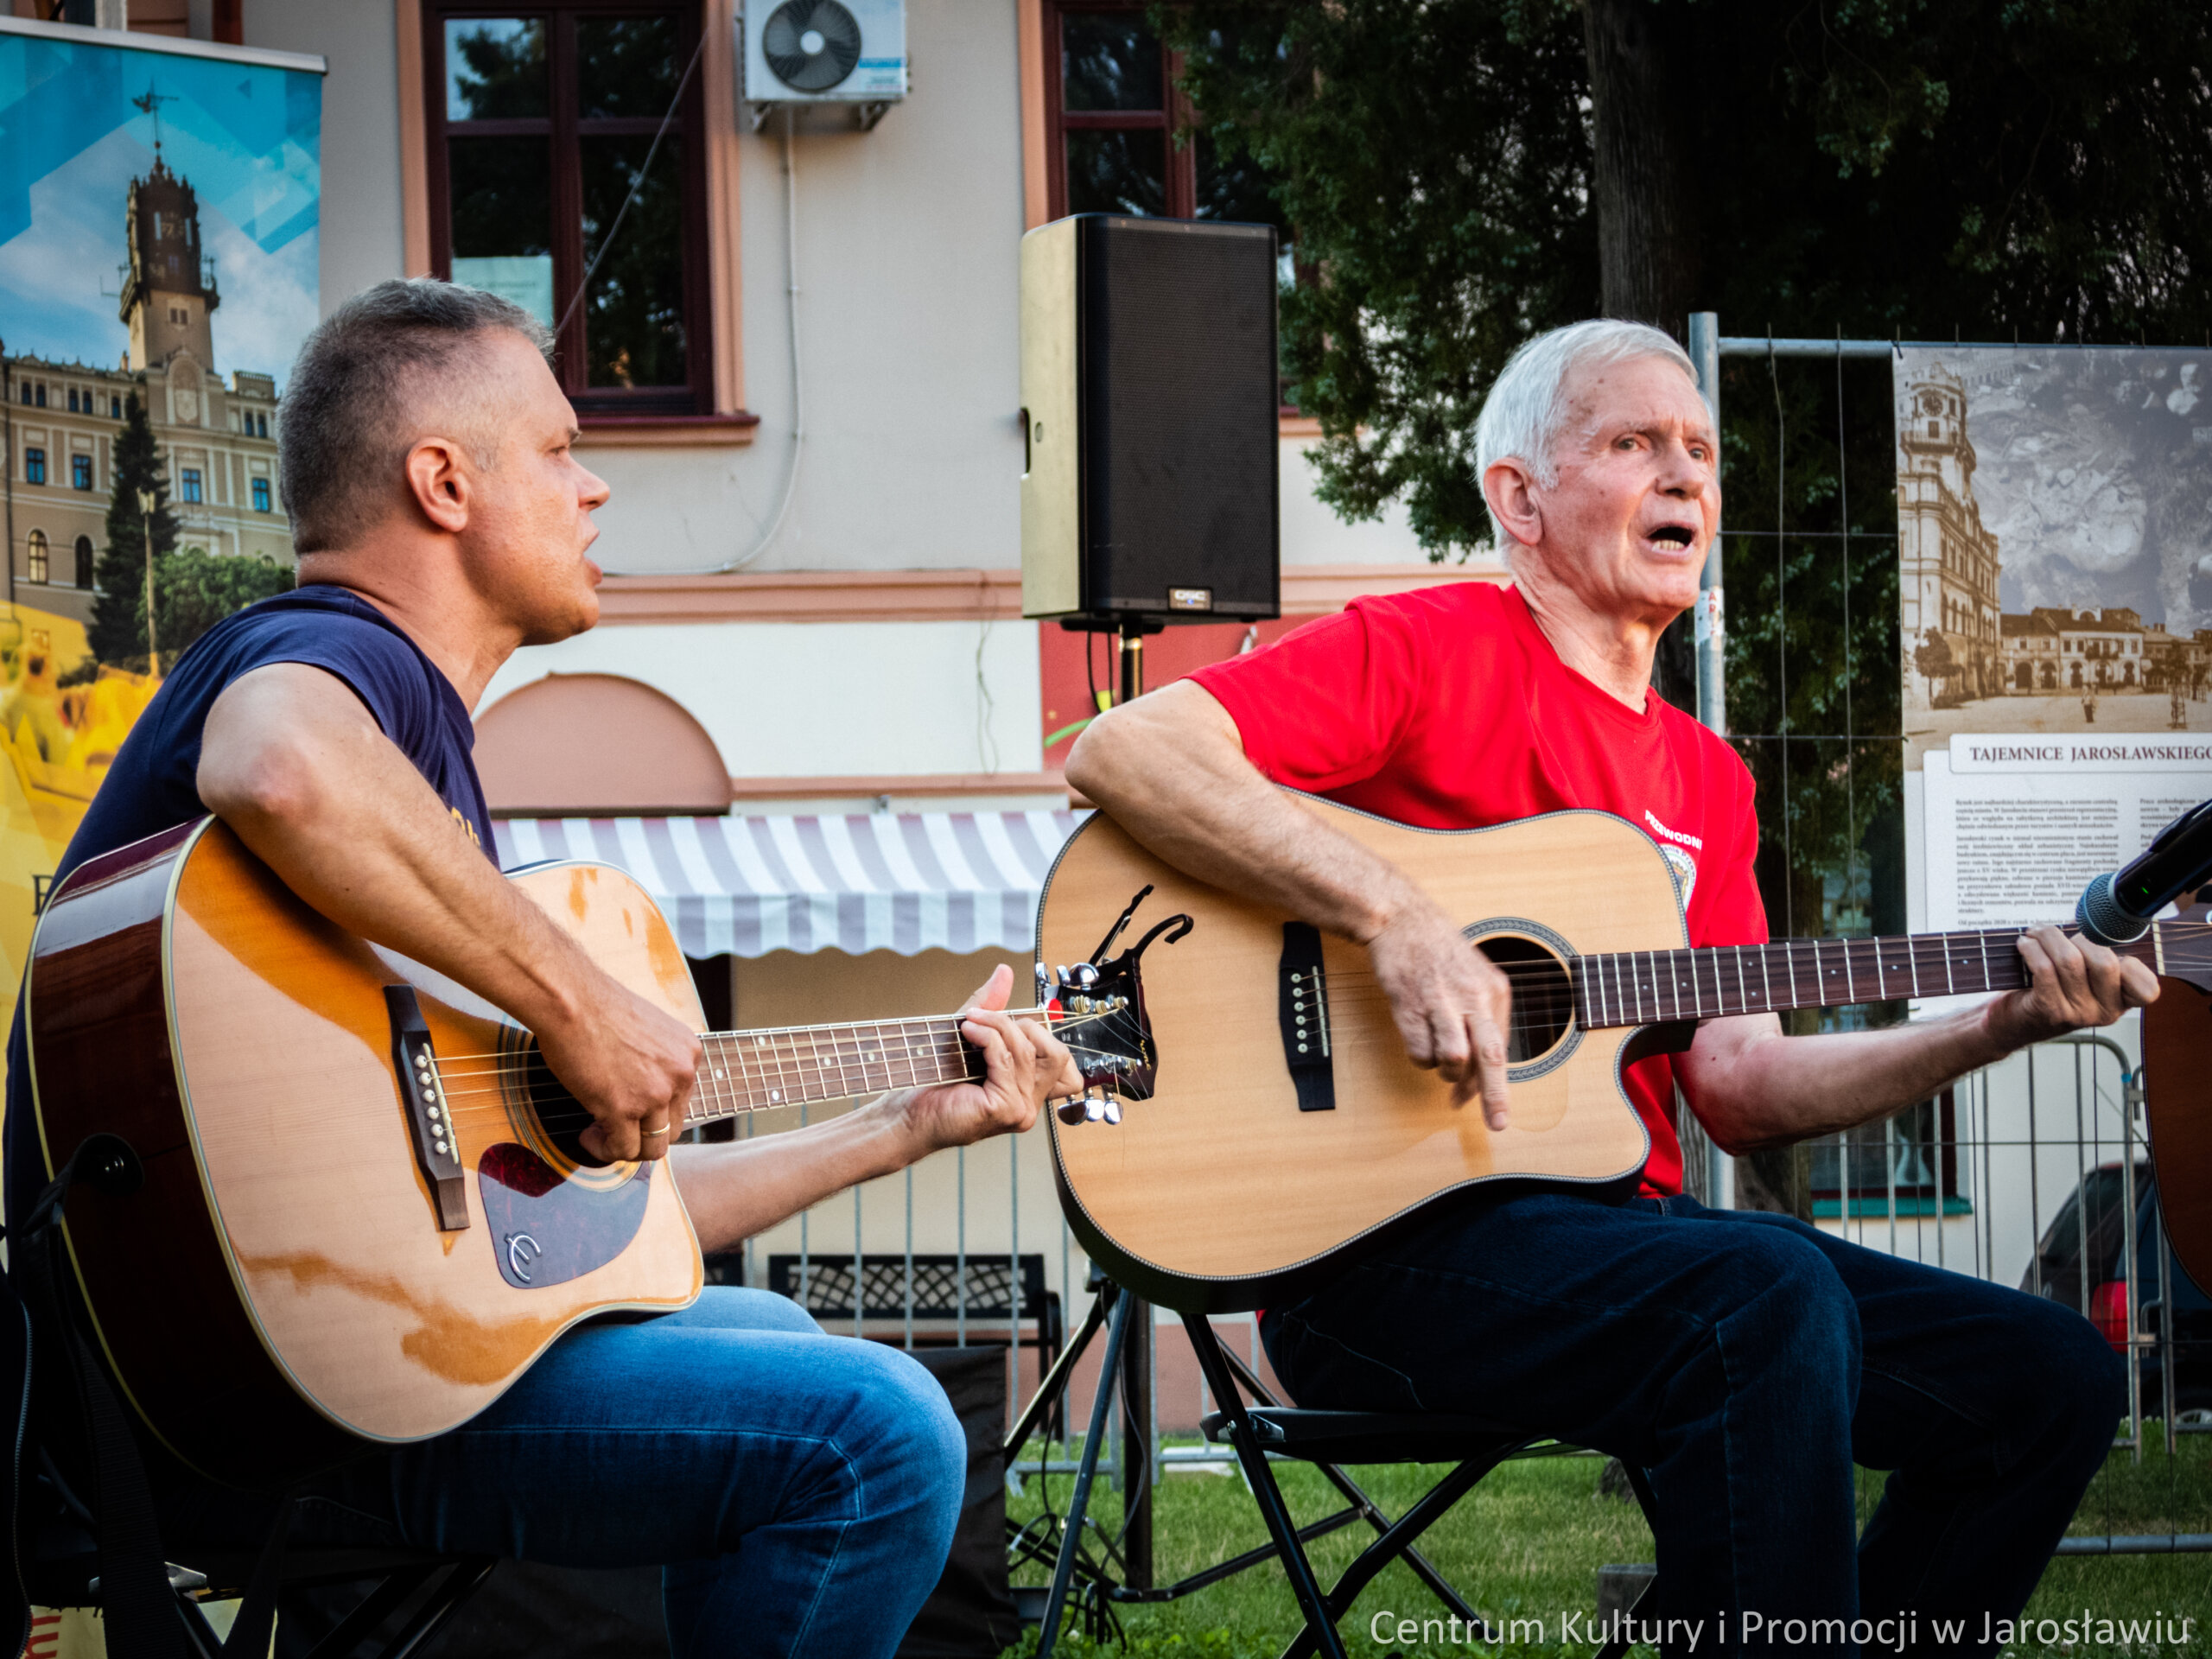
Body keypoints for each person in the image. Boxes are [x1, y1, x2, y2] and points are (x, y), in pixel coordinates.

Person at [1, 279, 1080, 1659]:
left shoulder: (418, 785)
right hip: (247, 1405)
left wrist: (900, 1125)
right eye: (563, 450)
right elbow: (275, 764)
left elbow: (590, 1241)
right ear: (443, 483)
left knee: (765, 1330)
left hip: (275, 1381)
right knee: (878, 1436)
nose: (597, 490)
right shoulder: (343, 657)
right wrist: (579, 1002)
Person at [1065, 320, 2147, 1656]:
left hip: (1626, 1253)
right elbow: (1127, 748)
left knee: (2048, 1381)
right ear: (1519, 497)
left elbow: (1741, 1086)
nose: (1685, 476)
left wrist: (1993, 1026)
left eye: (1698, 449)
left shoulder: (1711, 779)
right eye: (1635, 444)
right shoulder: (1430, 649)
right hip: (1376, 1260)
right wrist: (1390, 912)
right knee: (1759, 1294)